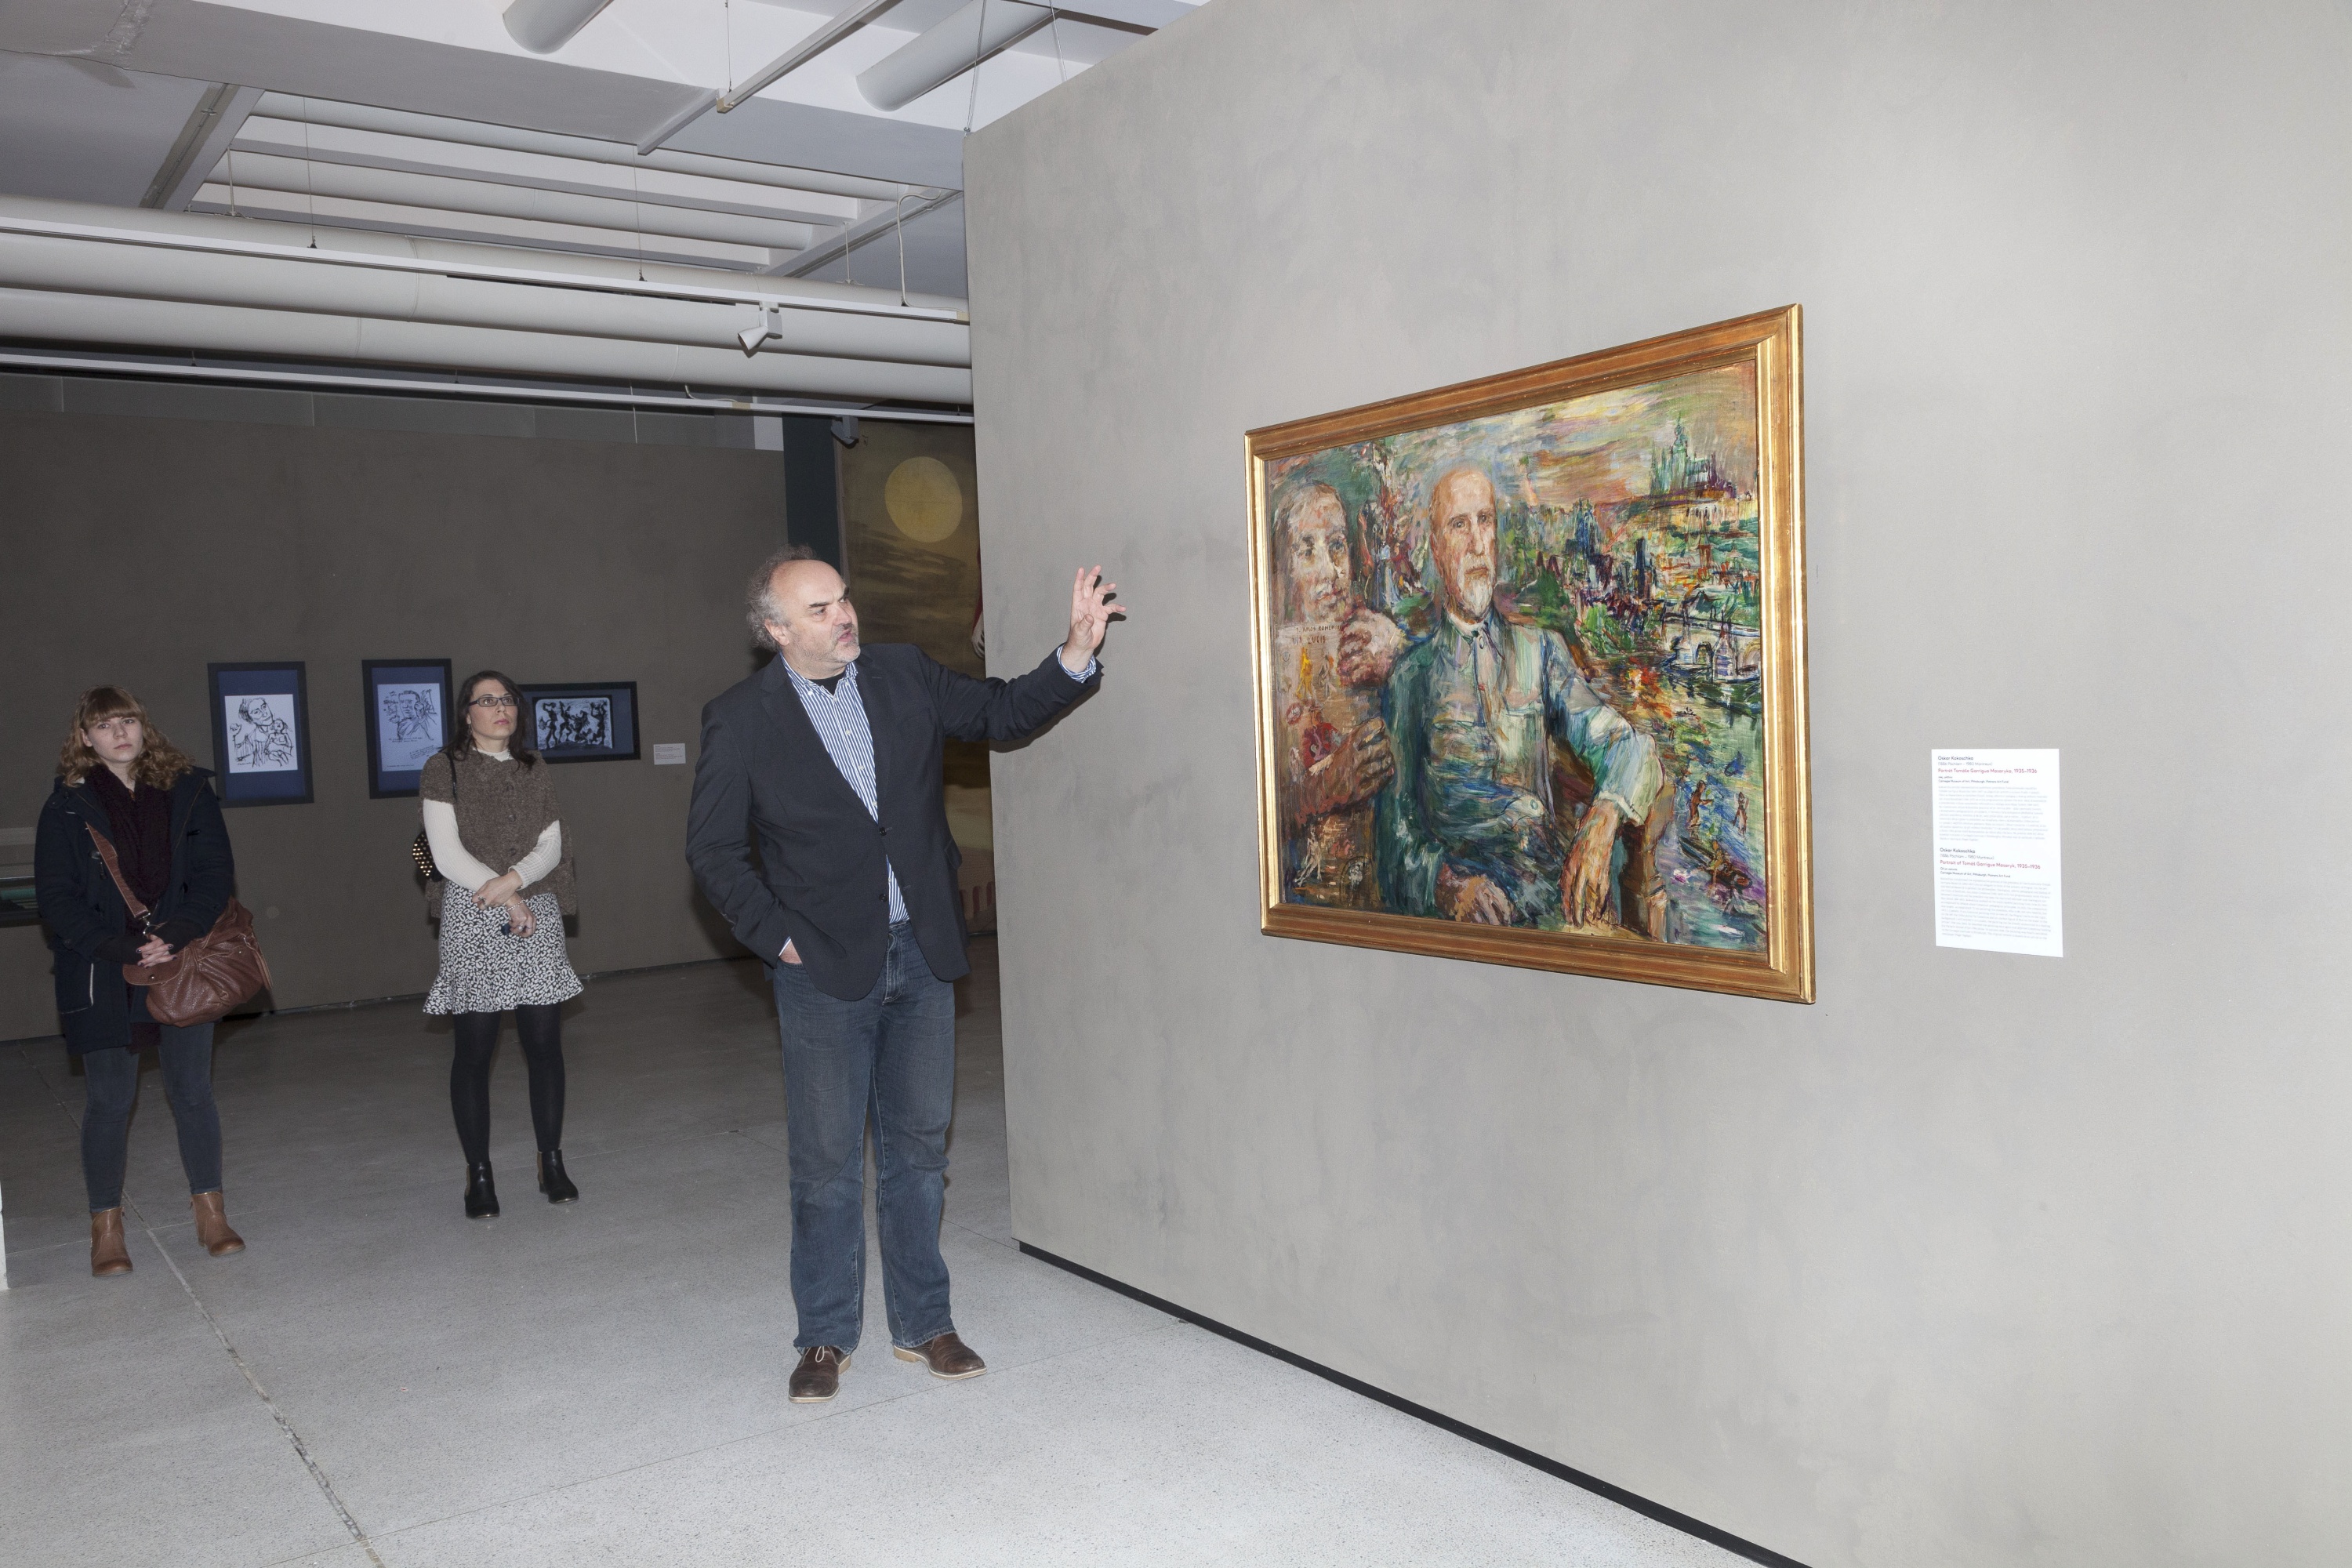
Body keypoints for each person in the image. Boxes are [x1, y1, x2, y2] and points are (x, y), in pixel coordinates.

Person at [687, 545, 1119, 1404]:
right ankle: (824, 1334)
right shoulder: (740, 719)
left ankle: (925, 1322)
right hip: (821, 969)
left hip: (921, 950)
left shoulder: (903, 673)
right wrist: (779, 940)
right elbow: (713, 850)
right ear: (777, 630)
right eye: (818, 609)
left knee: (918, 1152)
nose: (843, 615)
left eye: (843, 598)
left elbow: (1001, 712)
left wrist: (1075, 651)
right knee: (825, 1164)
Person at [1377, 466, 1670, 932]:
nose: (1477, 543)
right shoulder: (1411, 678)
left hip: (1552, 901)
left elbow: (1632, 746)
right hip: (1464, 922)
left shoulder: (1541, 651)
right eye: (1459, 525)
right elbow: (1395, 841)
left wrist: (1604, 815)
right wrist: (1448, 886)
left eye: (1485, 521)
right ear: (1436, 548)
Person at [34, 686, 244, 1276]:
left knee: (193, 1092)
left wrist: (175, 932)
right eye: (105, 725)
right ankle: (106, 1228)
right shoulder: (66, 806)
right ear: (85, 738)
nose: (119, 733)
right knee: (108, 1101)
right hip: (103, 968)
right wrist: (123, 945)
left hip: (183, 958)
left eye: (127, 720)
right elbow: (57, 896)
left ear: (143, 726)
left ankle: (211, 1214)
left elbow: (215, 874)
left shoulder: (188, 789)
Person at [419, 670, 581, 1219]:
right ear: (467, 714)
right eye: (486, 700)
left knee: (544, 1044)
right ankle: (479, 1174)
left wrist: (515, 882)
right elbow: (445, 853)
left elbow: (552, 844)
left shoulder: (534, 766)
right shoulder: (443, 767)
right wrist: (508, 896)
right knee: (475, 1048)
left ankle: (551, 1162)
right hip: (472, 912)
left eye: (507, 699)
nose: (499, 708)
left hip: (536, 908)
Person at [1269, 481, 1392, 907]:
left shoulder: (1371, 641)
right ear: (1285, 571)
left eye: (1337, 546)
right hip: (1301, 895)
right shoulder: (1276, 663)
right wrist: (1325, 786)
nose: (1330, 572)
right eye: (1307, 551)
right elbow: (1263, 804)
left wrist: (1398, 648)